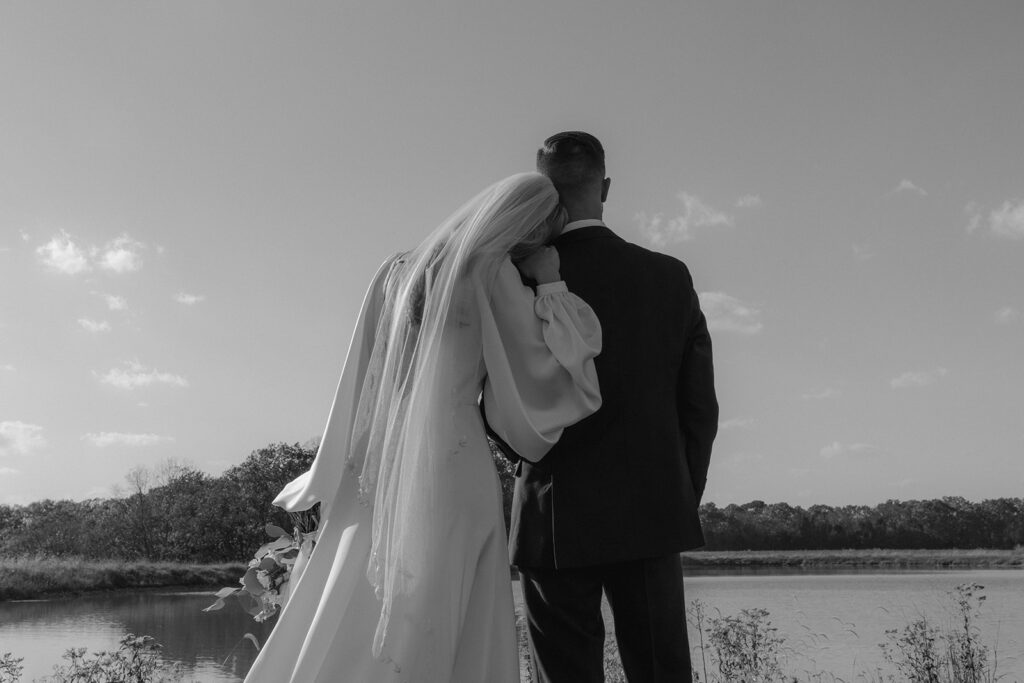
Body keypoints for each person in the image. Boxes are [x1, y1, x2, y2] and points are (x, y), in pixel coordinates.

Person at [243, 171, 602, 682]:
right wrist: (550, 280)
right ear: (528, 230)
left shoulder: (395, 271)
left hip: (376, 457)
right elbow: (542, 366)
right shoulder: (491, 273)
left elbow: (358, 376)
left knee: (356, 585)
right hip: (452, 459)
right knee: (448, 594)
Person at [508, 132, 719, 683]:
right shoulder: (669, 277)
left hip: (552, 514)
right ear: (604, 187)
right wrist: (678, 495)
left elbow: (499, 399)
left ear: (540, 193)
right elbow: (699, 407)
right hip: (652, 508)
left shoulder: (513, 277)